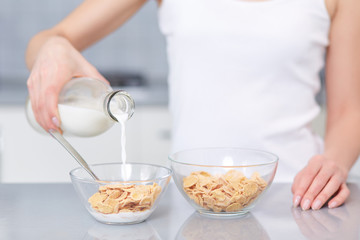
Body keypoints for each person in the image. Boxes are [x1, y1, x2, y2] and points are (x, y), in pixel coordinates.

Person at [26, 0, 360, 211]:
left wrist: (334, 163)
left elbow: (349, 110)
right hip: (193, 202)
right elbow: (46, 41)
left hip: (300, 199)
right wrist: (53, 46)